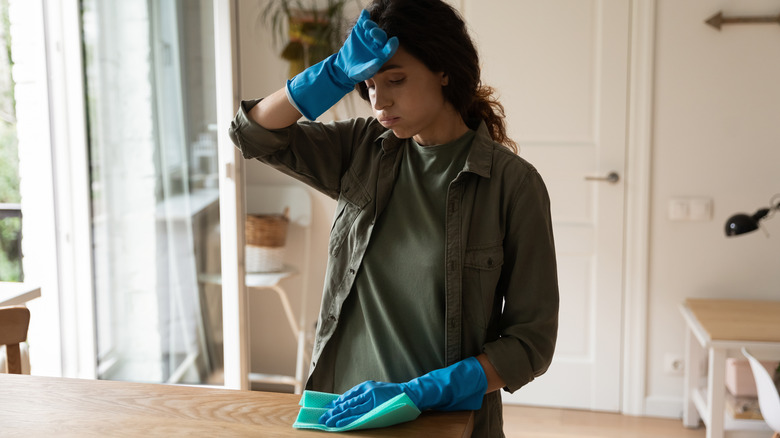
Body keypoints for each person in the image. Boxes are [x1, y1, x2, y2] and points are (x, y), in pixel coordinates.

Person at [228, 0, 559, 436]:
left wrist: (418, 392)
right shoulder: (361, 150)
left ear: (444, 70)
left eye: (396, 80)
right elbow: (252, 132)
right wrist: (332, 74)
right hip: (340, 410)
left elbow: (529, 343)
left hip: (441, 419)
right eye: (366, 84)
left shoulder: (513, 186)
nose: (378, 101)